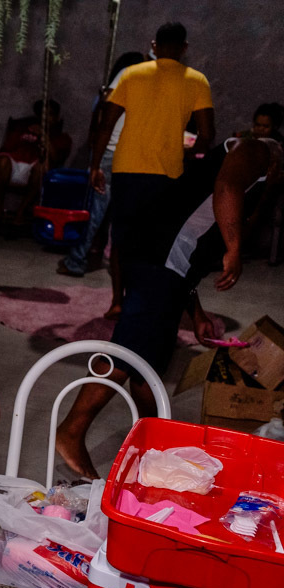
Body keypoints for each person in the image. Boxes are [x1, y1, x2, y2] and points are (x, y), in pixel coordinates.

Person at [56, 137, 281, 479]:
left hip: (171, 263)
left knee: (151, 359)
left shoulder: (266, 177)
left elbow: (197, 240)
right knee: (129, 349)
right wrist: (234, 249)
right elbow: (225, 186)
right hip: (160, 254)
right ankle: (71, 431)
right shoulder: (260, 150)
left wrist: (196, 312)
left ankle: (153, 444)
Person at [89, 22, 214, 318]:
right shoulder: (196, 80)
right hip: (169, 173)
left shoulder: (131, 74)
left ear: (154, 45)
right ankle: (148, 300)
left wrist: (94, 165)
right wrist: (193, 156)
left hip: (127, 169)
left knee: (122, 239)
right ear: (184, 48)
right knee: (160, 242)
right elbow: (207, 134)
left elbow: (106, 124)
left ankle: (117, 302)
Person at [59, 51, 145, 279]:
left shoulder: (125, 78)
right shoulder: (145, 86)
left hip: (111, 150)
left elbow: (103, 123)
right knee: (122, 214)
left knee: (96, 210)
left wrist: (94, 163)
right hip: (131, 154)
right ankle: (116, 263)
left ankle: (76, 260)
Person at [0, 99, 72, 235]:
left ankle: (20, 213)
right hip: (14, 165)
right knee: (2, 162)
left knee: (42, 168)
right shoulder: (24, 128)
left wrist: (44, 136)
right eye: (42, 115)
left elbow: (56, 159)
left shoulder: (61, 137)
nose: (45, 119)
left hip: (35, 171)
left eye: (49, 115)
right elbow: (6, 148)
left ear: (56, 118)